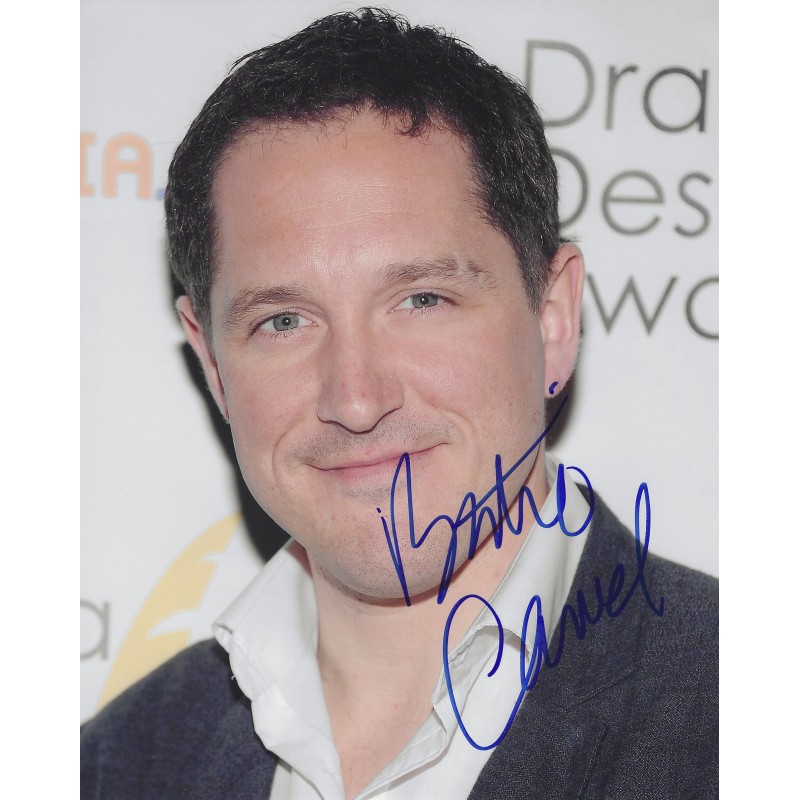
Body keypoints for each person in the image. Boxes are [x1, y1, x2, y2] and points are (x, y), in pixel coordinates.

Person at [80, 8, 718, 799]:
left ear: (552, 319)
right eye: (284, 321)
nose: (355, 399)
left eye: (422, 299)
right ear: (212, 362)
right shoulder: (114, 767)